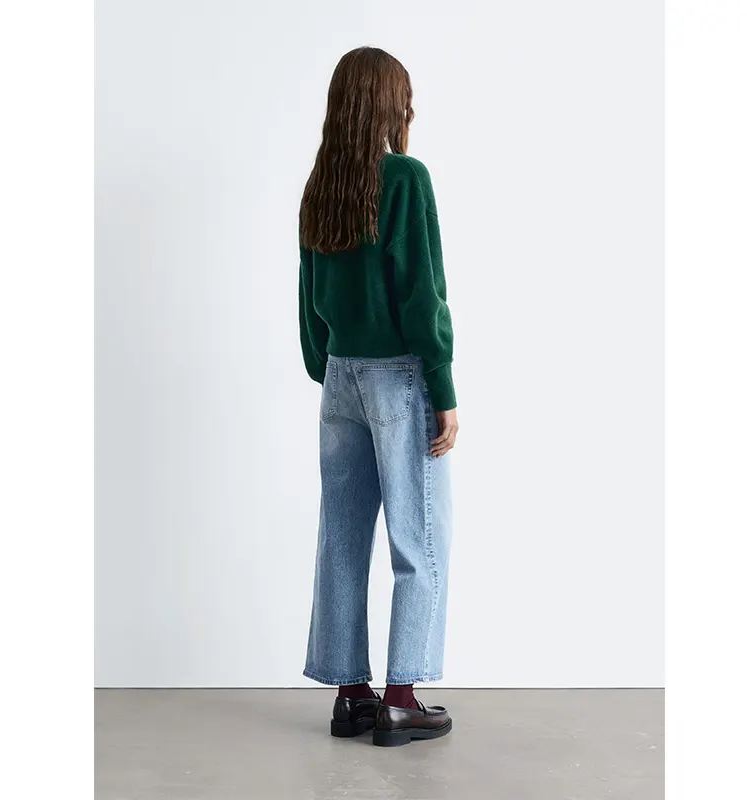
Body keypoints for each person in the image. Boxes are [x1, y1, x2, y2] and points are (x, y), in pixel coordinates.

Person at [298, 46, 458, 748]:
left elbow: (308, 294)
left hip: (341, 377)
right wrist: (441, 384)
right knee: (418, 538)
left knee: (342, 536)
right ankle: (401, 698)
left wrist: (328, 366)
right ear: (392, 104)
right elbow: (423, 291)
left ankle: (351, 695)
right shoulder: (405, 179)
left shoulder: (321, 186)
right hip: (398, 377)